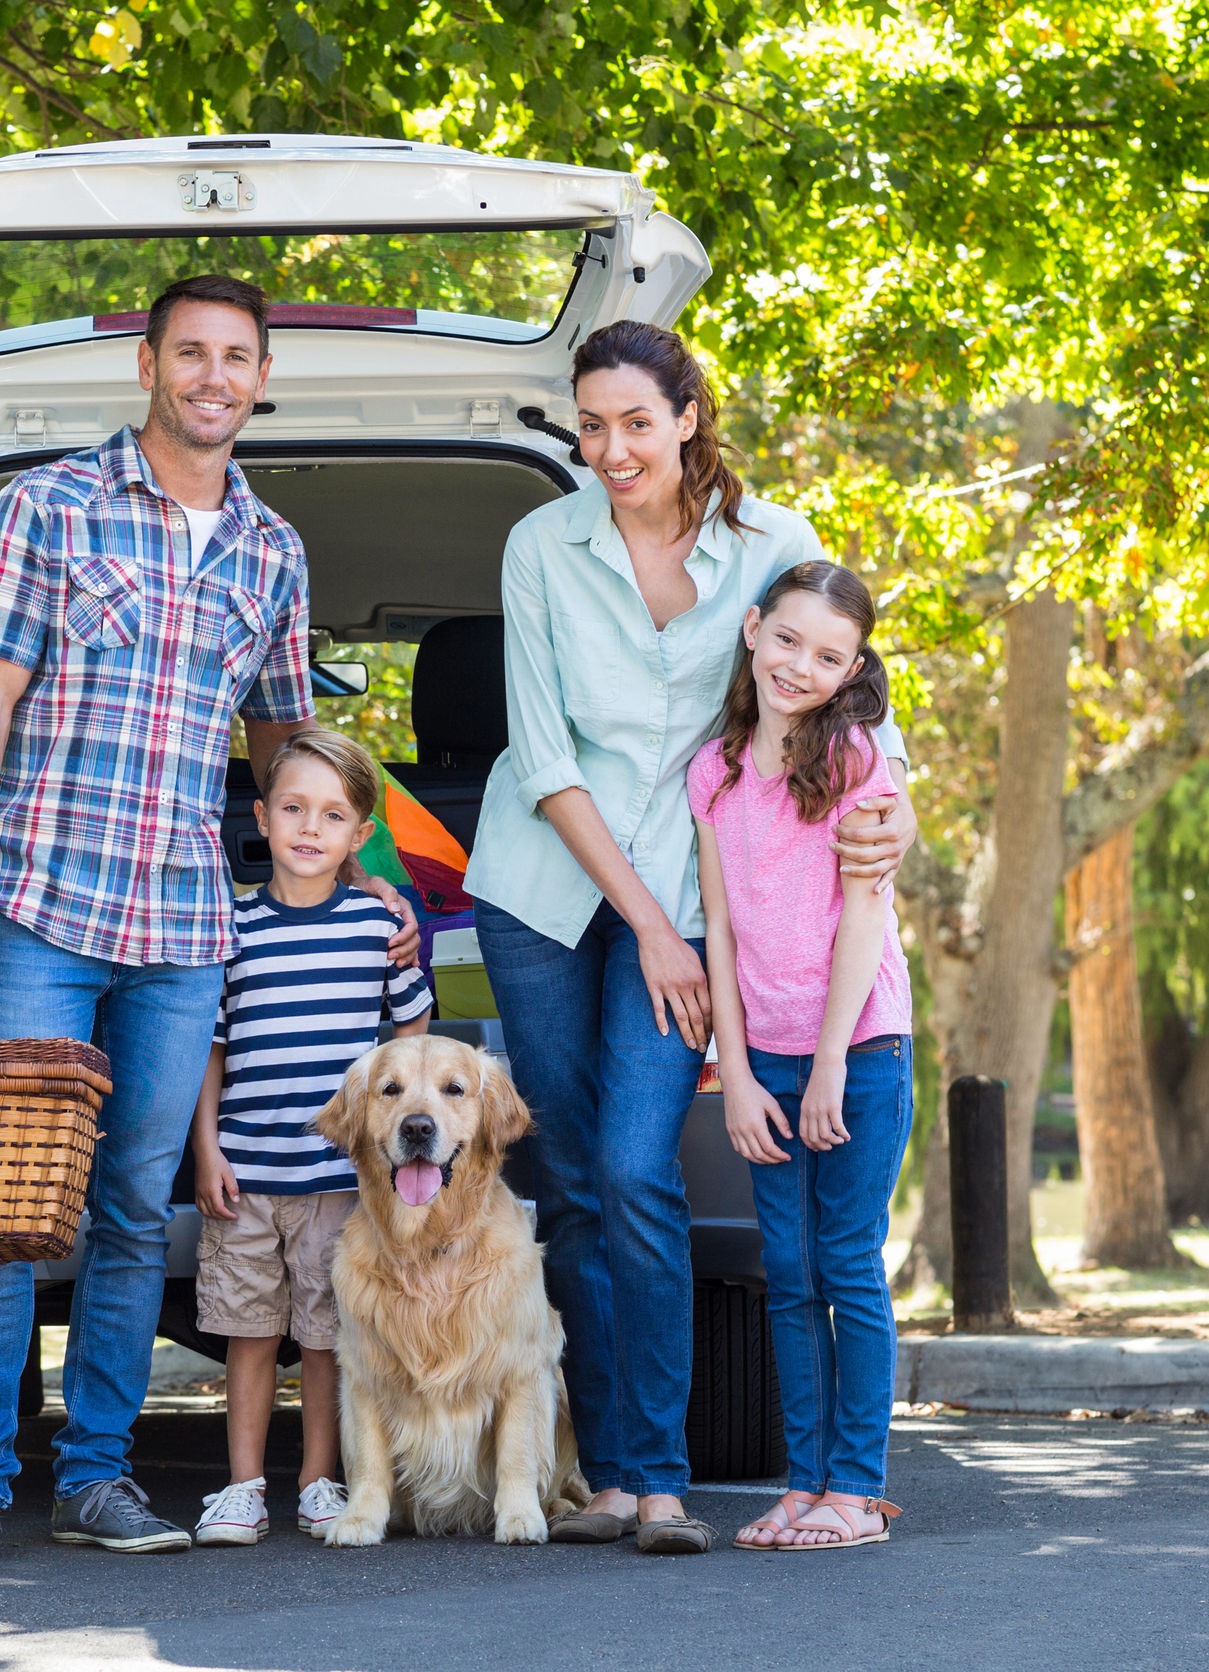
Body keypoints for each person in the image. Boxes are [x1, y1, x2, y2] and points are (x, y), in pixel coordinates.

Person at [0, 275, 417, 1566]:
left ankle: (96, 1478)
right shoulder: (48, 507)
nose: (213, 376)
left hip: (186, 928)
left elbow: (288, 745)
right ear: (148, 366)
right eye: (190, 352)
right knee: (6, 1206)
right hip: (37, 907)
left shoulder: (272, 550)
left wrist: (361, 871)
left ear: (258, 379)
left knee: (135, 1210)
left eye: (236, 357)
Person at [465, 319, 918, 1553]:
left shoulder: (771, 544)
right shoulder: (539, 546)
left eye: (636, 423)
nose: (612, 449)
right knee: (572, 1183)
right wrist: (650, 924)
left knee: (632, 1162)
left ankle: (664, 1478)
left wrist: (889, 826)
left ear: (687, 419)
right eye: (591, 424)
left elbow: (852, 688)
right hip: (546, 885)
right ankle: (615, 1471)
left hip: (695, 901)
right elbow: (545, 752)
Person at [691, 561, 913, 1551]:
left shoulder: (858, 761)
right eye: (787, 640)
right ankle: (804, 1480)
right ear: (751, 630)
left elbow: (864, 918)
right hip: (763, 1059)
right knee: (788, 1272)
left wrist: (827, 1064)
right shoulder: (717, 770)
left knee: (847, 1267)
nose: (800, 665)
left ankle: (856, 1491)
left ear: (852, 667)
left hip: (857, 1051)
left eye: (828, 655)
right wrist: (735, 1074)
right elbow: (722, 933)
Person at [186, 730, 434, 1547]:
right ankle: (241, 1488)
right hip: (247, 1174)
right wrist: (207, 1149)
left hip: (339, 1180)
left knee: (329, 1338)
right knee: (250, 1335)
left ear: (359, 836)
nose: (308, 828)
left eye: (332, 816)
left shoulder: (377, 927)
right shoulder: (233, 926)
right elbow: (211, 1049)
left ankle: (320, 1481)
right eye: (292, 808)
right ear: (260, 816)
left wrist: (395, 1152)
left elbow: (411, 1045)